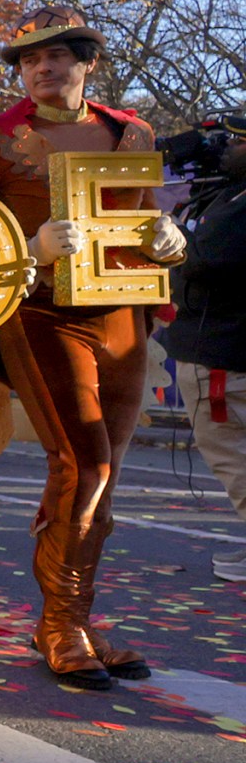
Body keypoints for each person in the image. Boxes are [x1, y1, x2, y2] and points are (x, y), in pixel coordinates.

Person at [0, 5, 186, 689]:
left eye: (56, 55)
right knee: (80, 462)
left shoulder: (130, 132)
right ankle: (59, 625)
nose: (41, 68)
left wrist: (165, 238)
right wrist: (27, 246)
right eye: (28, 59)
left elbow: (139, 216)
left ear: (87, 63)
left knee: (104, 471)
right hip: (40, 312)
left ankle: (73, 617)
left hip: (122, 315)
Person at [162, 116, 246, 581]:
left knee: (233, 457)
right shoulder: (225, 195)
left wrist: (168, 239)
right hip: (225, 349)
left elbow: (201, 260)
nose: (225, 149)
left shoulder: (236, 208)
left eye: (235, 141)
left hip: (222, 356)